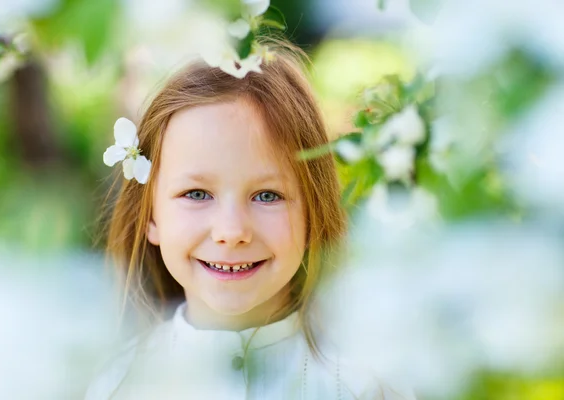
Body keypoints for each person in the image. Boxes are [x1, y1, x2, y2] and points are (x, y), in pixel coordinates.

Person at [86, 39, 415, 400]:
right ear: (150, 216)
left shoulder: (366, 387)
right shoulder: (115, 387)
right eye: (196, 194)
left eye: (267, 195)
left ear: (312, 210)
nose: (232, 232)